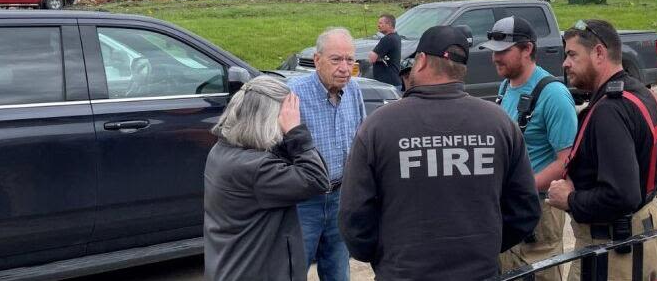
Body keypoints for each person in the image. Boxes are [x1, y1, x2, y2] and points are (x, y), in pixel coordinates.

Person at [338, 25, 541, 281]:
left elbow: (354, 215)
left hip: (402, 273)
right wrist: (484, 247)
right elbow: (525, 208)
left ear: (421, 61)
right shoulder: (499, 124)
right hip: (478, 273)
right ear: (462, 70)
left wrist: (382, 256)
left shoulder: (378, 126)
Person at [547, 19, 657, 281]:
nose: (565, 63)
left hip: (613, 254)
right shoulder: (642, 94)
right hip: (649, 236)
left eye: (572, 55)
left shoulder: (609, 110)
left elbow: (621, 196)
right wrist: (644, 193)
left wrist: (570, 199)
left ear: (599, 53)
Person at [204, 76, 329, 281]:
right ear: (267, 120)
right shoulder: (258, 168)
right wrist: (295, 133)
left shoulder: (222, 150)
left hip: (231, 268)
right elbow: (317, 179)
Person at [481, 16, 578, 280]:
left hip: (539, 212)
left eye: (503, 52)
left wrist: (524, 186)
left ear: (527, 49)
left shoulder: (553, 94)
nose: (495, 58)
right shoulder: (506, 86)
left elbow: (566, 160)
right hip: (509, 206)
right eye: (493, 52)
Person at [288, 28, 366, 281]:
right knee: (293, 269)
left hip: (340, 199)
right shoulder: (293, 94)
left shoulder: (353, 91)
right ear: (317, 59)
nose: (345, 68)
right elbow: (278, 150)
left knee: (338, 270)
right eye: (336, 59)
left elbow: (360, 142)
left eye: (350, 60)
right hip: (304, 202)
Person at [368, 13, 402, 87]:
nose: (378, 25)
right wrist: (380, 58)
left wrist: (375, 55)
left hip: (387, 84)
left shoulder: (387, 39)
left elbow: (371, 58)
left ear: (389, 24)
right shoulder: (396, 37)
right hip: (394, 81)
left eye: (380, 23)